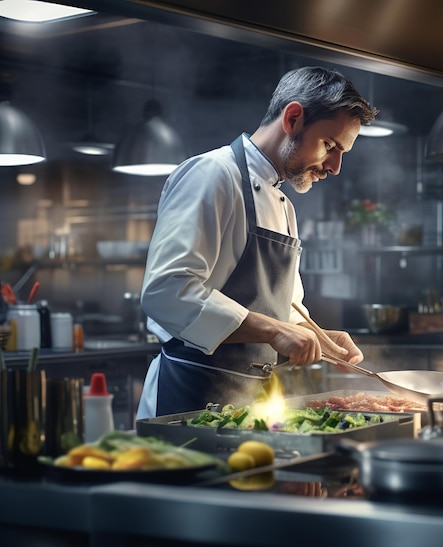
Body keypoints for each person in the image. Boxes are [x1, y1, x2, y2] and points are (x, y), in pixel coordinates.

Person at [137, 66, 378, 418]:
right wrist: (272, 329)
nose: (335, 167)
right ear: (293, 118)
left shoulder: (285, 207)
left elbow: (286, 314)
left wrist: (324, 341)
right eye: (329, 146)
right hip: (189, 400)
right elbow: (166, 291)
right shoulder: (212, 175)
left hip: (250, 406)